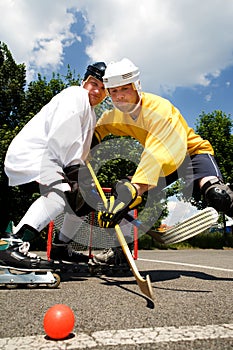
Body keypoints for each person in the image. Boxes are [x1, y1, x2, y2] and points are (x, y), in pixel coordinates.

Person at [92, 57, 233, 264]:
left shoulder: (159, 109)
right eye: (114, 92)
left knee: (218, 195)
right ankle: (120, 252)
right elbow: (97, 131)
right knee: (121, 188)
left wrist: (136, 188)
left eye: (125, 89)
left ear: (137, 86)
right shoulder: (116, 116)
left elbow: (161, 152)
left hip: (191, 153)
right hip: (162, 162)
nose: (120, 96)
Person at [0, 62, 107, 270]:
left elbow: (80, 153)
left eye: (103, 89)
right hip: (34, 155)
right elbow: (62, 135)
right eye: (94, 83)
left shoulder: (91, 113)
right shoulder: (75, 95)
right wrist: (74, 171)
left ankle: (61, 246)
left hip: (52, 159)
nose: (97, 91)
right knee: (59, 194)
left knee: (84, 200)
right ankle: (11, 244)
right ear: (84, 82)